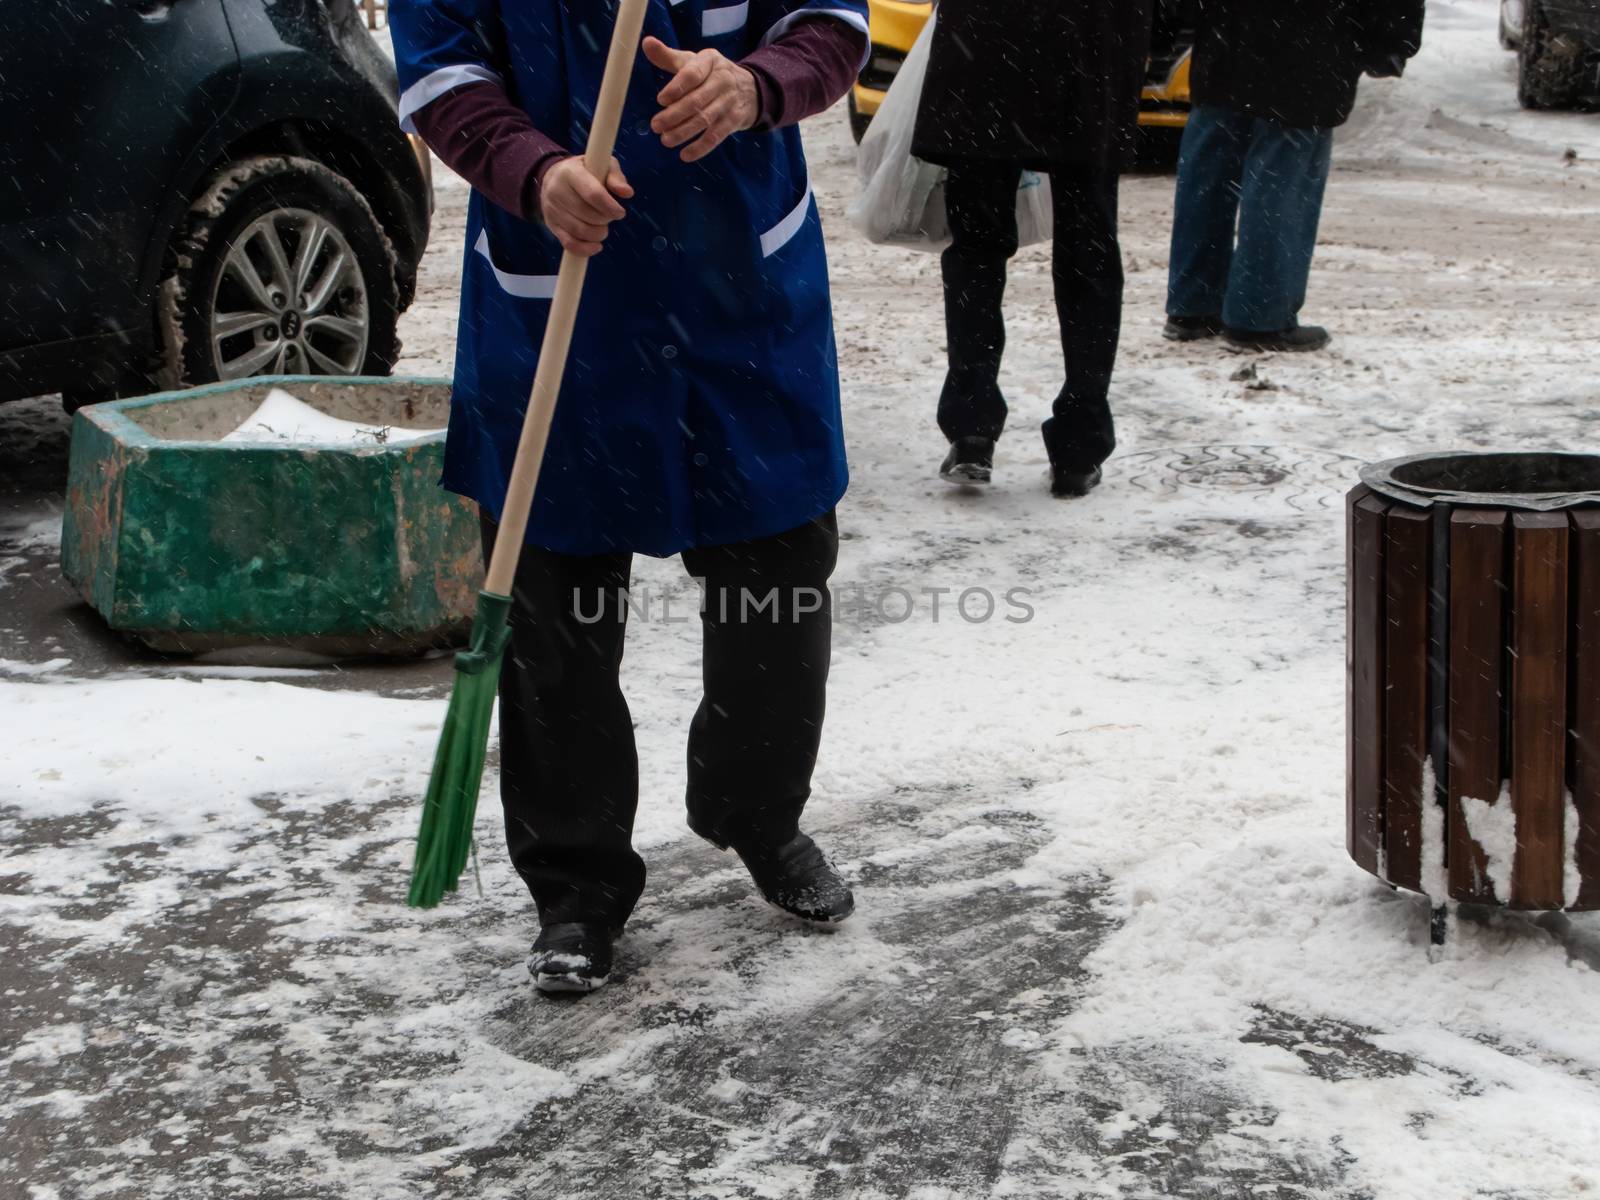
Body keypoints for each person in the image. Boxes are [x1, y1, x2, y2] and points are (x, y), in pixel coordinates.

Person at [390, 0, 870, 995]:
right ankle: (574, 886)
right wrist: (531, 168)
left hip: (739, 283)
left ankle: (755, 811)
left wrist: (752, 84)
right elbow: (440, 72)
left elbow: (830, 22)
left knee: (776, 579)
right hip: (562, 285)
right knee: (554, 609)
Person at [910, 0, 1155, 497]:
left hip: (987, 41)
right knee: (1088, 252)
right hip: (1093, 42)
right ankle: (1079, 444)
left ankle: (972, 427)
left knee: (977, 247)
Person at [1164, 0, 1426, 352]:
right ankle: (1258, 317)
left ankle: (1193, 306)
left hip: (1226, 40)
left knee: (1209, 173)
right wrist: (1392, 40)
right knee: (1280, 182)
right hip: (1307, 47)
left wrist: (1172, 20)